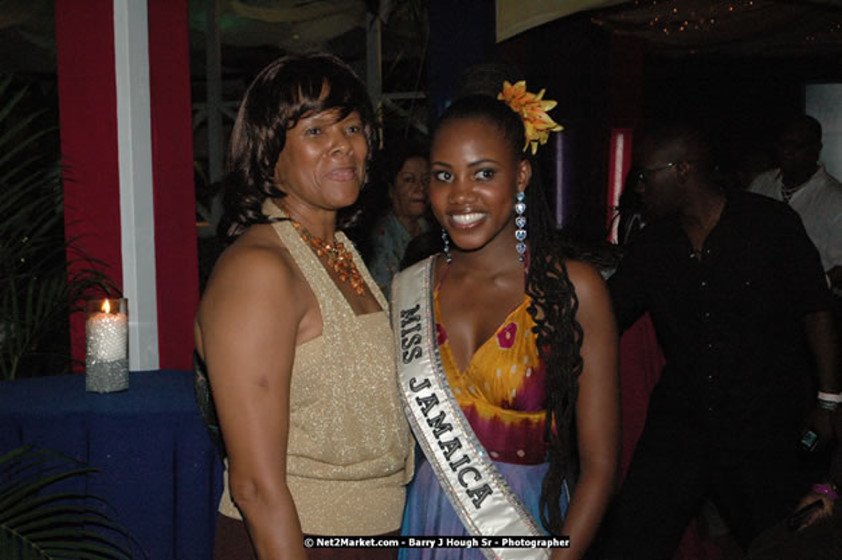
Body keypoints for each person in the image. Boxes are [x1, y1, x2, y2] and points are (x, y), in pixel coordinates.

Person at [194, 53, 414, 560]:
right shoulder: (259, 271)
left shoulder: (340, 251)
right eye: (315, 131)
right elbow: (254, 485)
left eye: (352, 127)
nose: (343, 145)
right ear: (268, 154)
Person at [391, 88, 620, 559]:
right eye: (444, 175)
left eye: (484, 174)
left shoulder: (572, 289)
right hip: (426, 519)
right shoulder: (410, 288)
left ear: (521, 176)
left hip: (525, 525)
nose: (460, 195)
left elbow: (600, 466)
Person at [601, 122, 840, 559]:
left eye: (645, 176)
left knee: (780, 543)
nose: (638, 188)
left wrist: (828, 401)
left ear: (683, 170)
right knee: (633, 539)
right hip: (682, 421)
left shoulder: (769, 225)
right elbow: (607, 316)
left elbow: (816, 308)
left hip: (762, 423)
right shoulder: (654, 245)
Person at [749, 114, 842, 292]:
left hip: (811, 302)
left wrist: (813, 287)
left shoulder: (835, 199)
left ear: (816, 149)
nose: (787, 152)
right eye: (783, 145)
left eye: (796, 146)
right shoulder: (762, 184)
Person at [367, 142, 431, 295]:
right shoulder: (380, 239)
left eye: (425, 180)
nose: (420, 188)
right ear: (391, 189)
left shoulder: (434, 230)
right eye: (409, 180)